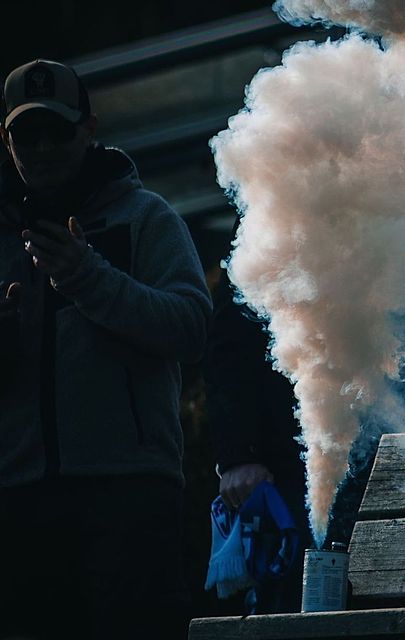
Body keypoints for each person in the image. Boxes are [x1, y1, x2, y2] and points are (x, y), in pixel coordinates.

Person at [0, 60, 211, 639]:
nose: (41, 147)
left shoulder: (146, 217)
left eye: (57, 131)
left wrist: (87, 277)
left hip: (129, 496)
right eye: (26, 134)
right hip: (17, 501)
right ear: (6, 139)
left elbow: (192, 327)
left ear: (89, 129)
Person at [203, 249, 311, 613]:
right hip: (290, 459)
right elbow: (232, 333)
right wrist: (238, 454)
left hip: (392, 441)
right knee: (291, 602)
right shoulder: (274, 194)